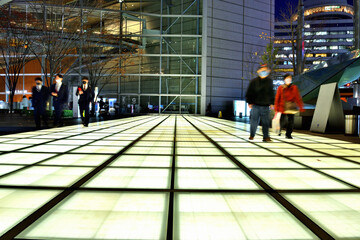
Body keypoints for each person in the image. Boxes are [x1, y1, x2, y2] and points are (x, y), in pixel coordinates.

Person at [245, 64, 275, 142]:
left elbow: (271, 92)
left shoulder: (269, 81)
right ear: (258, 71)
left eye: (265, 70)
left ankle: (266, 137)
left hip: (265, 105)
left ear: (268, 71)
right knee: (254, 121)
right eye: (262, 70)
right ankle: (252, 135)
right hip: (255, 105)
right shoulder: (254, 81)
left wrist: (272, 103)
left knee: (265, 122)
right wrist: (249, 102)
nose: (264, 72)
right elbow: (249, 92)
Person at [274, 74, 304, 139]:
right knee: (282, 120)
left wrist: (301, 106)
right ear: (284, 80)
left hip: (291, 107)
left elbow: (297, 97)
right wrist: (276, 107)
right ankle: (279, 130)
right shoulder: (281, 87)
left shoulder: (294, 87)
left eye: (290, 78)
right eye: (287, 78)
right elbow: (277, 98)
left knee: (291, 121)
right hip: (282, 107)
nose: (289, 80)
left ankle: (288, 134)